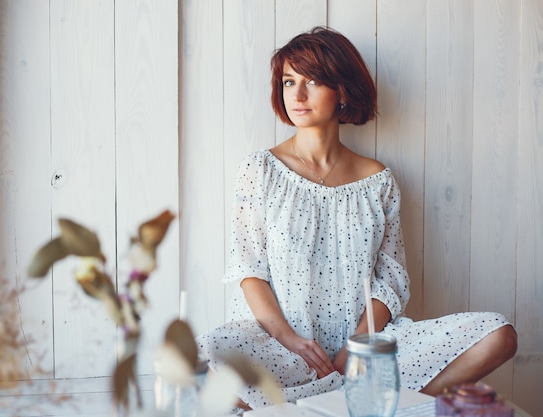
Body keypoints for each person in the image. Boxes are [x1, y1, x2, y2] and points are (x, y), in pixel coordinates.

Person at [197, 26, 517, 409]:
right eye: (288, 81)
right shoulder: (260, 169)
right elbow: (248, 268)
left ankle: (345, 401)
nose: (297, 95)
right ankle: (350, 404)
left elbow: (392, 280)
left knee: (499, 335)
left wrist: (359, 347)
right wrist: (290, 340)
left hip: (364, 351)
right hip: (282, 349)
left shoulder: (377, 180)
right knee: (207, 362)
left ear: (343, 90)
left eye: (312, 81)